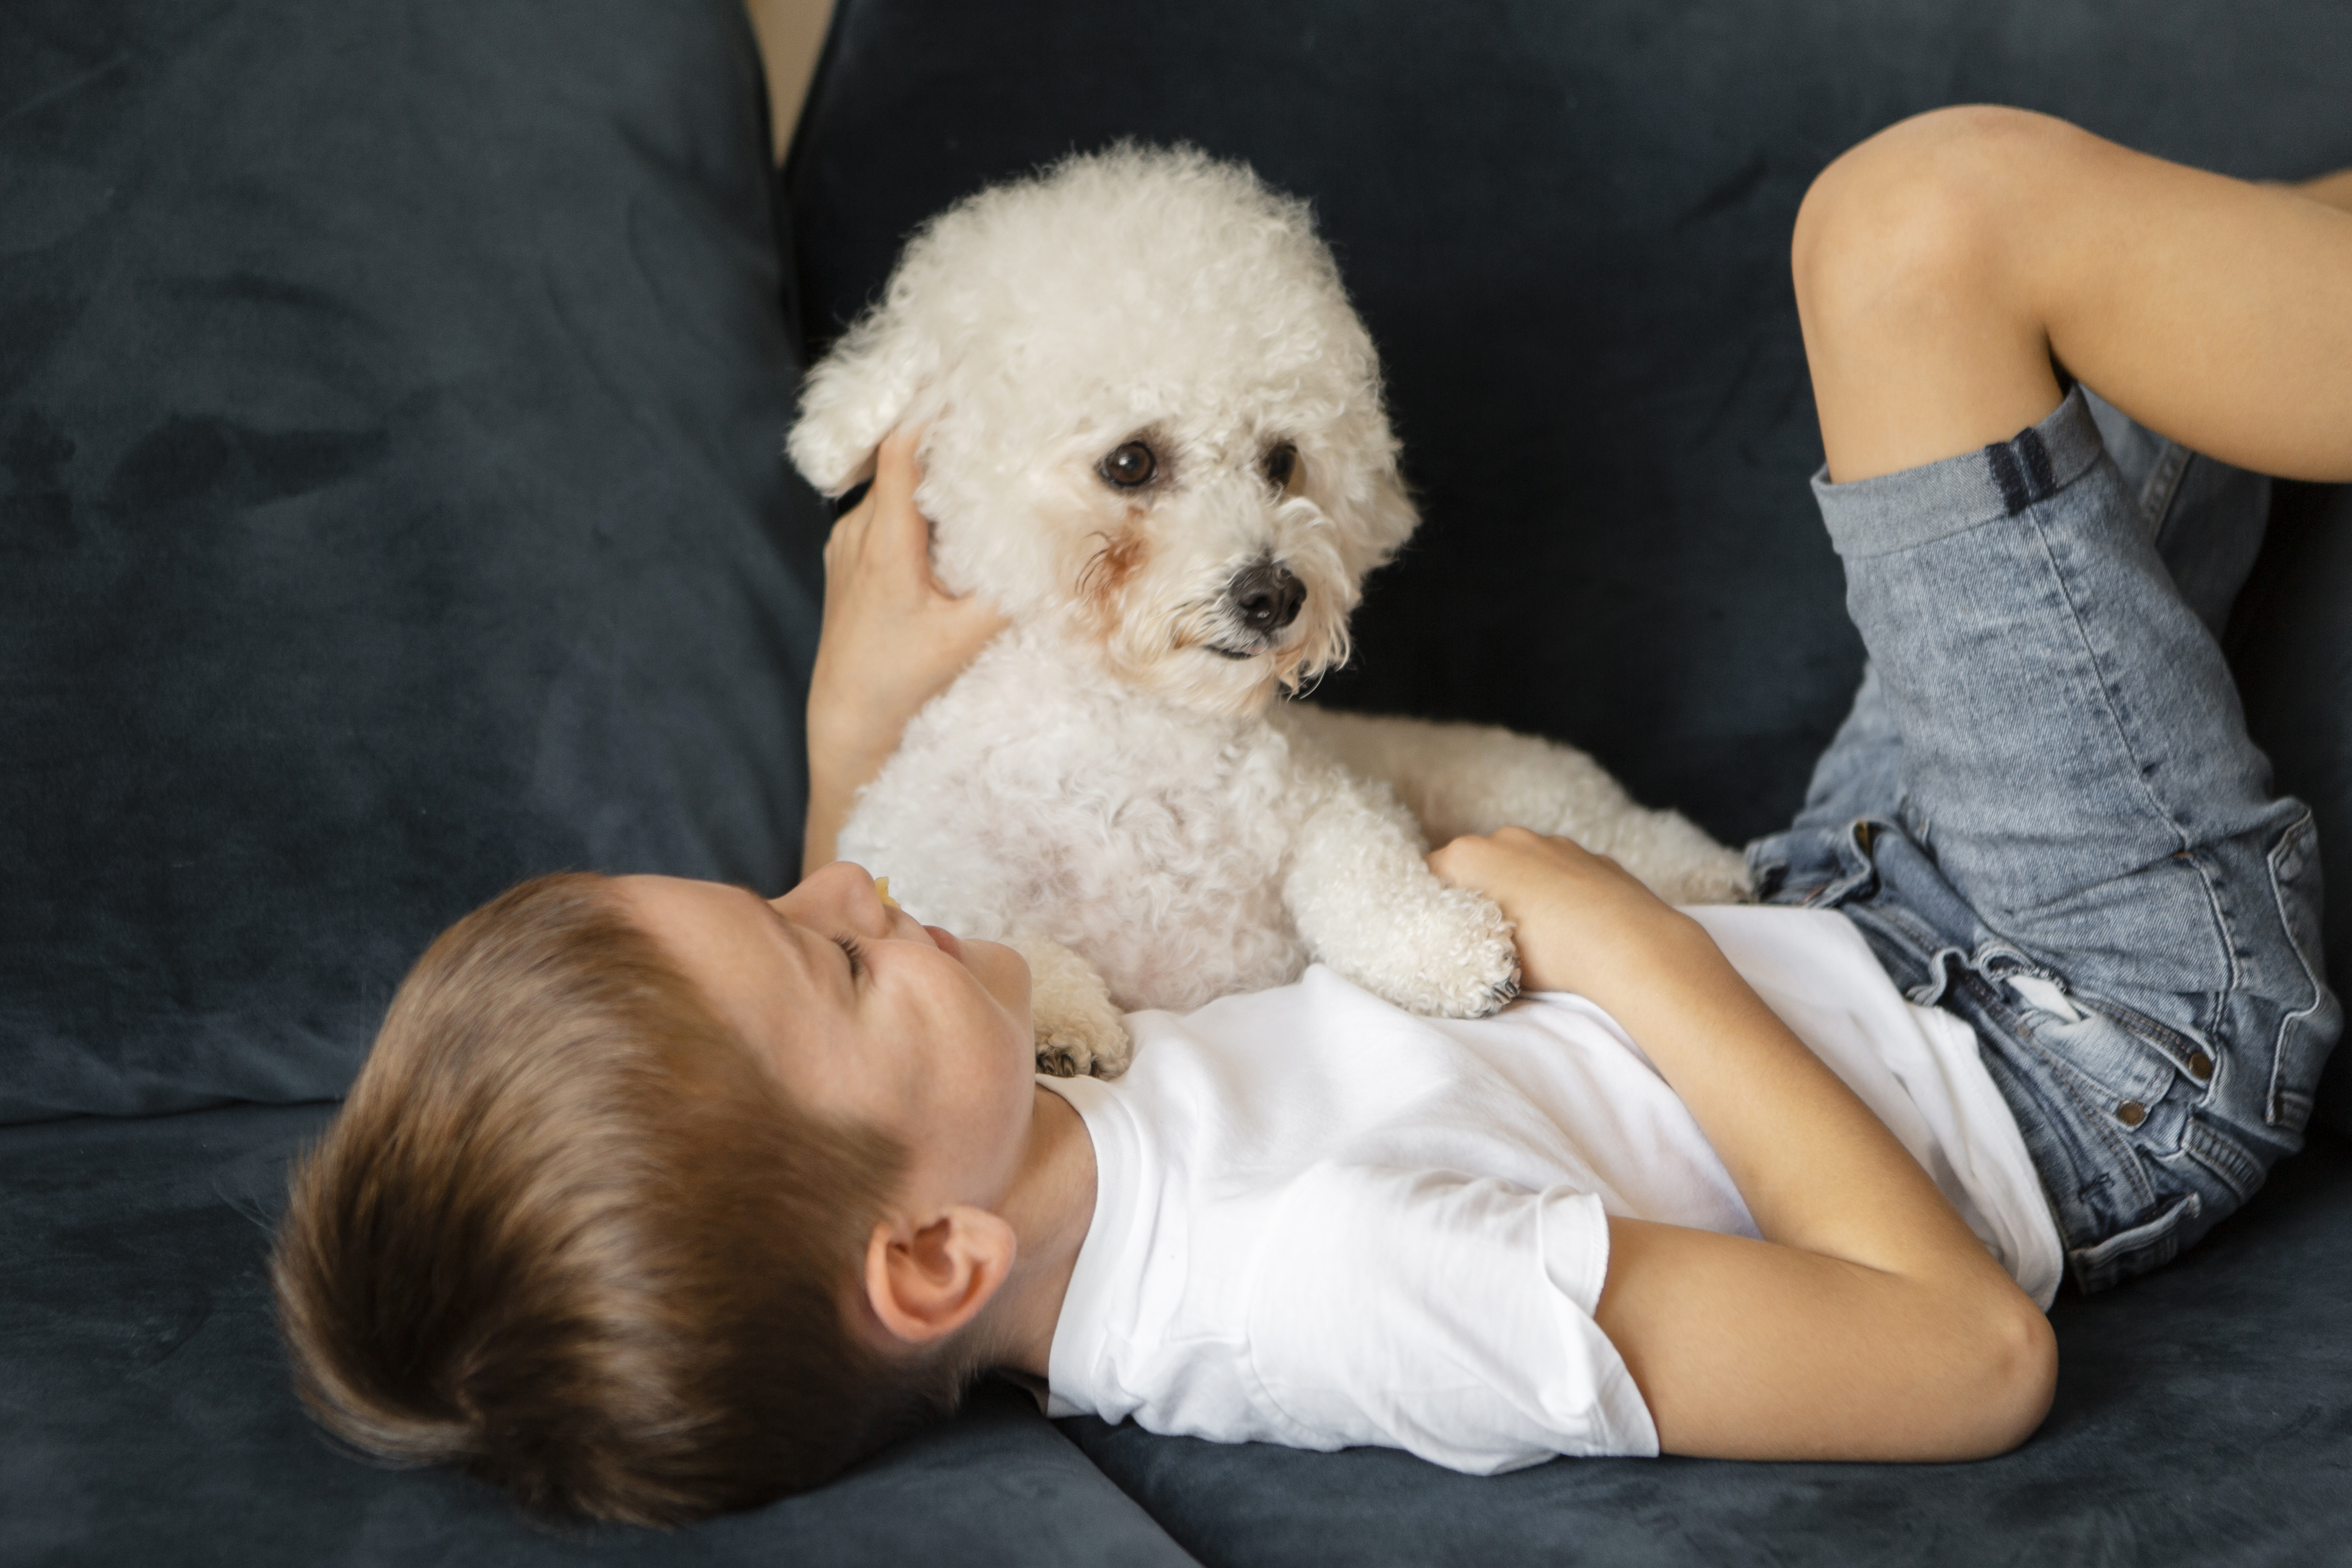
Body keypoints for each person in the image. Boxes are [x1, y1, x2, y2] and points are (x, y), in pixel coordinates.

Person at [271, 108, 2352, 1525]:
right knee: (1921, 235)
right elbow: (1962, 1359)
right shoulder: (1308, 1289)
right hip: (2075, 1049)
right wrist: (1620, 938)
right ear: (929, 1257)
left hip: (1863, 909)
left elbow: (881, 918)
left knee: (2184, 318)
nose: (843, 878)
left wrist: (853, 709)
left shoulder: (1033, 1124)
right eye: (827, 944)